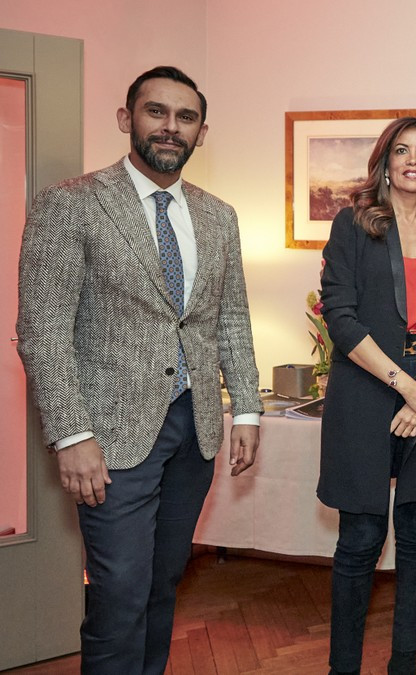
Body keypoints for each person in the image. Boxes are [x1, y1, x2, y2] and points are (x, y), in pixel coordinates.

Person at [16, 65, 261, 674]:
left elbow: (231, 318)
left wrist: (248, 410)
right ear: (127, 118)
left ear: (202, 132)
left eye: (186, 117)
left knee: (161, 582)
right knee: (119, 593)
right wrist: (72, 435)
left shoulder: (219, 216)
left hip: (194, 431)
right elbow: (43, 331)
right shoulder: (71, 204)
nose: (171, 127)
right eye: (157, 112)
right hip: (109, 437)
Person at [316, 117, 416, 675]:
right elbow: (340, 316)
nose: (413, 160)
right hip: (366, 395)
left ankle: (403, 662)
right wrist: (406, 387)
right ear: (386, 162)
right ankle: (343, 667)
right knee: (361, 540)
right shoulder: (353, 225)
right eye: (402, 150)